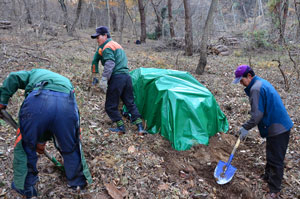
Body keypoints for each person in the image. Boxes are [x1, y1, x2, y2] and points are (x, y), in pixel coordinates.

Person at [0, 69, 92, 198]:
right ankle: (78, 184)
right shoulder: (63, 81)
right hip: (67, 103)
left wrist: (2, 100)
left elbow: (13, 77)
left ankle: (26, 188)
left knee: (26, 146)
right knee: (71, 146)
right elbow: (57, 116)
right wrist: (42, 141)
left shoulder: (31, 74)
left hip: (38, 98)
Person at [233, 65, 293, 199]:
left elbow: (256, 116)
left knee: (276, 158)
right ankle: (267, 176)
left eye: (241, 80)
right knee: (271, 152)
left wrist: (245, 128)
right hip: (276, 124)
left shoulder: (255, 88)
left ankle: (275, 188)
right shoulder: (260, 83)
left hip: (278, 127)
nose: (241, 84)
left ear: (249, 76)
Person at [90, 26, 146, 135]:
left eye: (98, 37)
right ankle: (140, 127)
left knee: (110, 106)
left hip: (117, 78)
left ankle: (121, 127)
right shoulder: (117, 45)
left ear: (105, 35)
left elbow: (110, 63)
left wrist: (104, 80)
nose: (97, 40)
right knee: (130, 103)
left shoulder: (107, 47)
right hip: (127, 76)